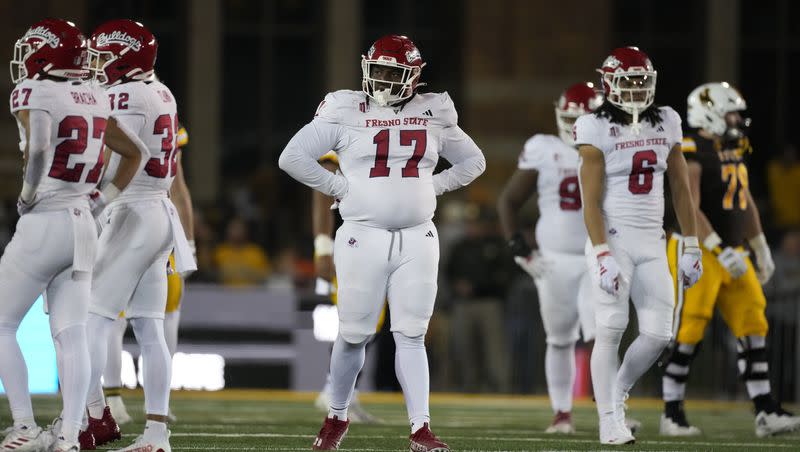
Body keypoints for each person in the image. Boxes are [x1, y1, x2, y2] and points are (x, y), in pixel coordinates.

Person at [279, 34, 485, 451]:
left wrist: (435, 186)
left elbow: (474, 161)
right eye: (379, 71)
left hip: (418, 237)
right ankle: (336, 416)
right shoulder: (344, 106)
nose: (385, 80)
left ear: (413, 77)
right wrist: (338, 187)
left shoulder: (434, 109)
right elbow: (292, 156)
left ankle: (420, 428)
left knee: (411, 334)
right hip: (361, 235)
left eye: (394, 72)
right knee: (354, 334)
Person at [1, 19, 144, 452]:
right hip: (84, 221)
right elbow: (136, 152)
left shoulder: (35, 90)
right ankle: (68, 436)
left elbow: (41, 146)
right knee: (72, 333)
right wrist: (102, 199)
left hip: (46, 216)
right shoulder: (95, 94)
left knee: (2, 324)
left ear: (43, 53)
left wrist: (26, 194)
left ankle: (24, 428)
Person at [575, 46, 703, 445]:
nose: (634, 89)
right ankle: (607, 420)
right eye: (627, 81)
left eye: (640, 81)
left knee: (659, 334)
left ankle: (617, 393)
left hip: (652, 240)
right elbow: (590, 200)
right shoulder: (593, 126)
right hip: (613, 239)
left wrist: (693, 244)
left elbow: (681, 190)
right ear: (608, 84)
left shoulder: (666, 120)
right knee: (610, 328)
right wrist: (600, 254)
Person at [660, 82, 800, 438]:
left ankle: (765, 409)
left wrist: (760, 245)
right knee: (689, 329)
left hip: (733, 251)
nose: (737, 119)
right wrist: (719, 249)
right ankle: (671, 412)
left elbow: (745, 200)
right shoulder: (691, 147)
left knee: (754, 324)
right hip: (698, 249)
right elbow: (688, 205)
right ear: (709, 112)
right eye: (730, 112)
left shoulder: (733, 146)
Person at [83, 19, 195, 452]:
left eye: (105, 56)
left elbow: (118, 160)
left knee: (93, 317)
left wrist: (90, 199)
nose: (97, 64)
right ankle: (156, 434)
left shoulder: (125, 94)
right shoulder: (160, 90)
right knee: (149, 328)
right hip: (156, 211)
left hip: (131, 210)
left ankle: (85, 418)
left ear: (125, 60)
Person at [497, 82, 603, 433]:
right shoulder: (543, 148)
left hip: (595, 255)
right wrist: (519, 249)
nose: (573, 123)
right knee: (559, 338)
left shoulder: (609, 143)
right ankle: (562, 413)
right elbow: (509, 200)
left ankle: (611, 410)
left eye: (580, 117)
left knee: (604, 333)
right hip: (554, 259)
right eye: (568, 116)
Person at [102, 123, 195, 426]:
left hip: (121, 215)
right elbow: (178, 188)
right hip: (153, 218)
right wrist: (188, 241)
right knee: (153, 322)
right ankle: (150, 410)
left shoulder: (113, 104)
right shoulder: (162, 109)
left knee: (109, 318)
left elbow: (177, 187)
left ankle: (111, 402)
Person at [312, 151, 382, 424]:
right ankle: (334, 389)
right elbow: (322, 187)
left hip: (378, 240)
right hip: (350, 240)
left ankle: (346, 392)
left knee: (373, 322)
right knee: (354, 320)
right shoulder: (346, 125)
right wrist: (323, 246)